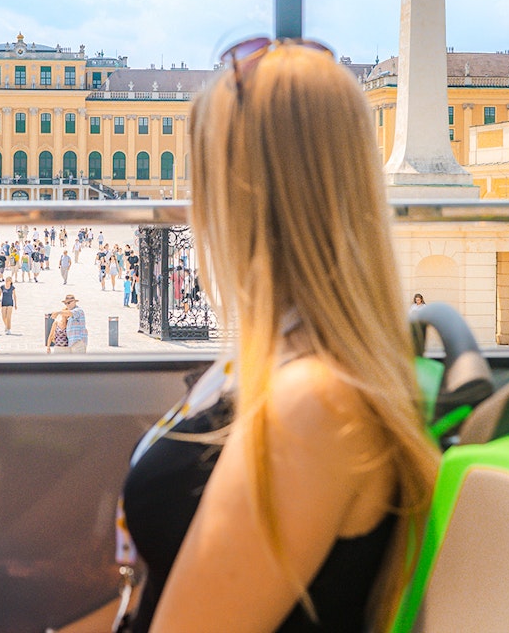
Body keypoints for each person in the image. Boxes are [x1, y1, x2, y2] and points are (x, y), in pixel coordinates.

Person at [119, 39, 439, 633]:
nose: (192, 206)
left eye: (202, 174)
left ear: (246, 193)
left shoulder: (311, 404)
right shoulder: (294, 365)